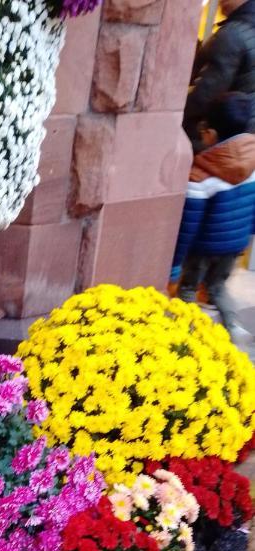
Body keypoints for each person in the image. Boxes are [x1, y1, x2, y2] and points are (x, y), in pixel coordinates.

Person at [172, 93, 255, 345]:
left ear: (211, 134)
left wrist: (175, 265)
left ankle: (183, 338)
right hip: (234, 245)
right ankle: (234, 328)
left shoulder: (201, 175)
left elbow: (189, 227)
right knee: (217, 288)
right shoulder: (252, 164)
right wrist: (246, 239)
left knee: (187, 290)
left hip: (204, 248)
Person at [184, 0, 255, 150]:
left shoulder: (232, 35)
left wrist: (173, 117)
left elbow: (204, 96)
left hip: (222, 140)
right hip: (247, 145)